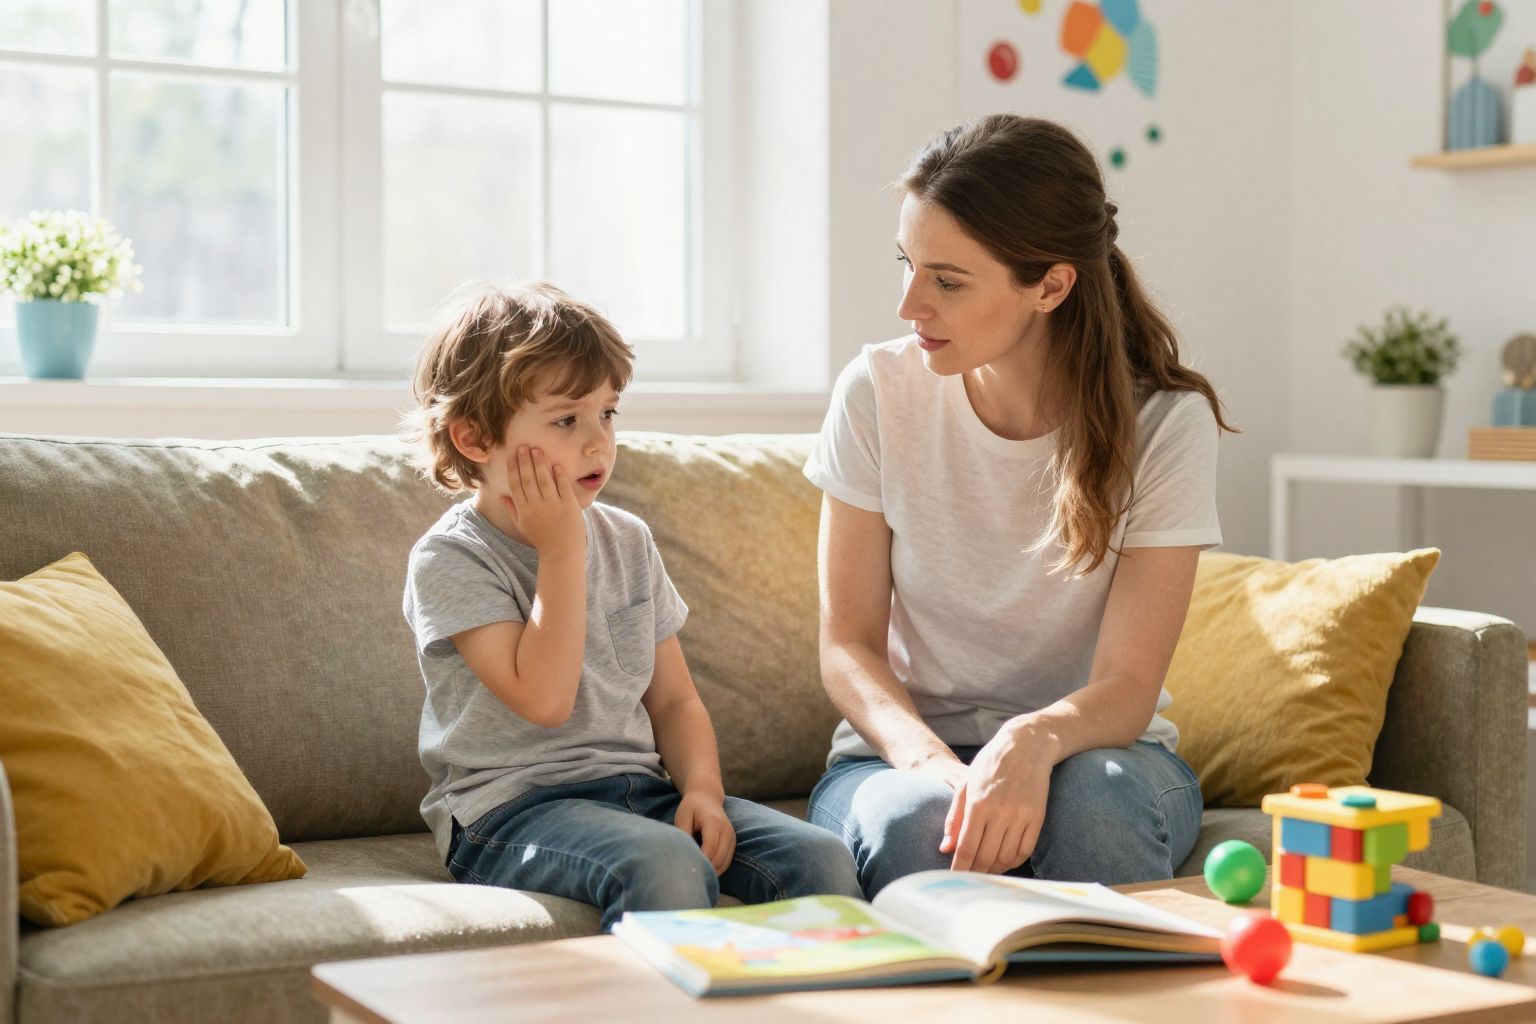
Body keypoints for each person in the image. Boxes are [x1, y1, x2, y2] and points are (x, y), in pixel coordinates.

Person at [804, 115, 1238, 898]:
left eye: (947, 279)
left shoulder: (1165, 423)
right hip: (900, 755)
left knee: (1096, 810)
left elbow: (1129, 683)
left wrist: (1033, 739)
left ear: (1051, 284)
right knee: (915, 824)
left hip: (1097, 754)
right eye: (906, 264)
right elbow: (848, 645)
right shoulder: (874, 392)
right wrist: (931, 763)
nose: (909, 304)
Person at [401, 281, 862, 930]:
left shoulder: (627, 539)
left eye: (607, 414)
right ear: (475, 438)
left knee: (822, 861)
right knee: (667, 864)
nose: (597, 442)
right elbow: (546, 699)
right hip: (509, 810)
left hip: (642, 791)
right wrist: (562, 554)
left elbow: (674, 700)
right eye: (567, 420)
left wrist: (702, 790)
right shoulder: (451, 558)